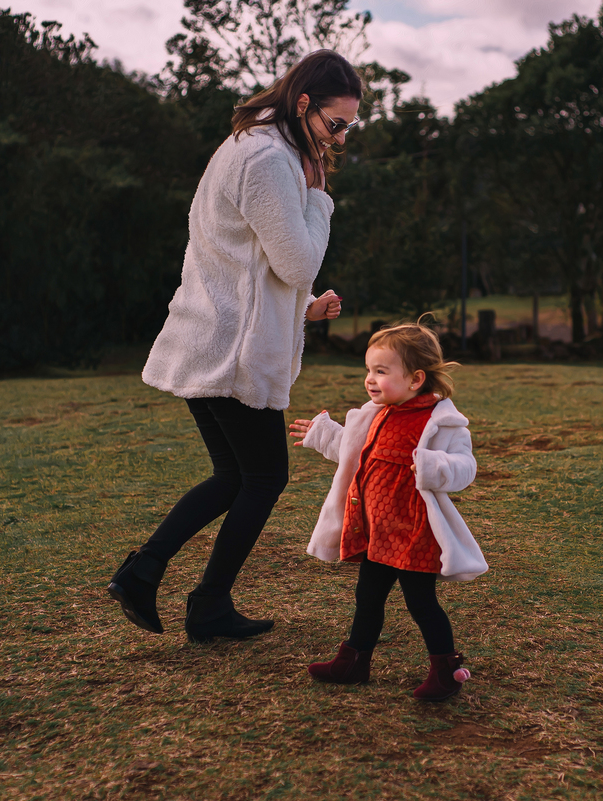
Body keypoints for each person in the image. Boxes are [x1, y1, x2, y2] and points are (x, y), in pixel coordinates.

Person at [107, 50, 363, 644]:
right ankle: (198, 597)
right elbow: (297, 261)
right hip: (231, 356)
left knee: (235, 475)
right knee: (264, 477)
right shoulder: (269, 160)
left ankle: (156, 578)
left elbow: (242, 269)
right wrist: (320, 198)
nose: (342, 137)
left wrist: (302, 311)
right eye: (336, 123)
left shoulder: (249, 146)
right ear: (303, 105)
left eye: (350, 126)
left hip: (211, 341)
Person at [288, 323, 488, 701]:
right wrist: (324, 433)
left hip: (414, 532)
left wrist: (432, 466)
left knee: (420, 602)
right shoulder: (376, 413)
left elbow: (465, 467)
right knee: (368, 595)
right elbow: (353, 450)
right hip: (377, 531)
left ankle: (447, 670)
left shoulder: (441, 422)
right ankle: (354, 662)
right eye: (368, 370)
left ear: (416, 379)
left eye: (381, 371)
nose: (370, 379)